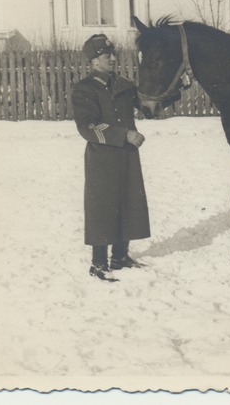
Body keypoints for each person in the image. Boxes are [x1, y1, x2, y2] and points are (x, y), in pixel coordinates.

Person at [72, 34, 150, 282]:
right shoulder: (84, 89)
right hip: (102, 158)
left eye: (113, 54)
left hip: (127, 156)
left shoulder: (124, 85)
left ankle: (120, 256)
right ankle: (98, 263)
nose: (114, 59)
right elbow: (87, 127)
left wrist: (175, 87)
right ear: (95, 61)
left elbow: (148, 107)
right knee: (102, 206)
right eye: (108, 56)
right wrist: (124, 134)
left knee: (128, 201)